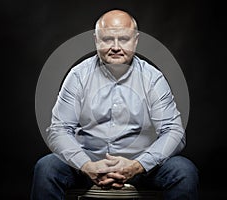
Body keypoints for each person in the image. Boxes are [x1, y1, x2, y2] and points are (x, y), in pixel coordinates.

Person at [31, 9, 199, 200]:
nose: (116, 47)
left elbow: (173, 131)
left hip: (141, 166)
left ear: (136, 41)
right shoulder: (78, 76)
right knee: (46, 168)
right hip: (87, 164)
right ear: (96, 40)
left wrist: (137, 165)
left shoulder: (152, 78)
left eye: (124, 39)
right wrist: (86, 165)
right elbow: (58, 129)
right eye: (108, 39)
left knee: (184, 170)